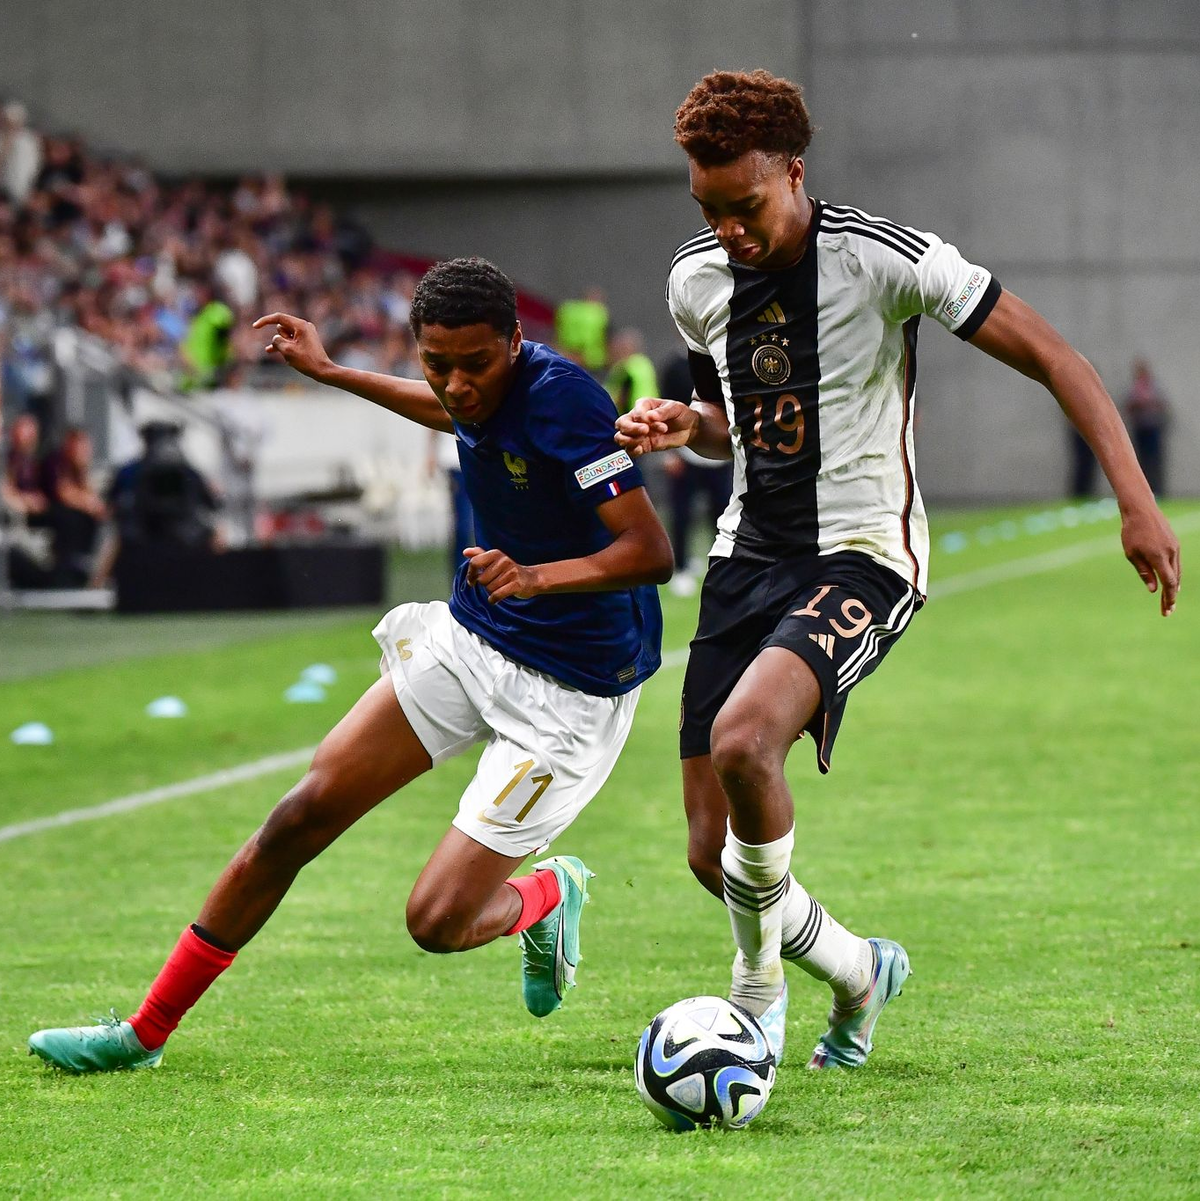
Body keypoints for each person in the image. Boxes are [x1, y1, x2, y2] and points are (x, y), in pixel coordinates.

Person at [616, 69, 1181, 1073]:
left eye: (745, 207)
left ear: (794, 172)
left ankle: (756, 998)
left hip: (864, 555)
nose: (730, 231)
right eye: (709, 209)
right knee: (713, 854)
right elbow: (724, 426)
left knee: (749, 744)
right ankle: (861, 971)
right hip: (747, 558)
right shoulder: (695, 280)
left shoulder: (885, 260)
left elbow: (1058, 357)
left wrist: (1135, 501)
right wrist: (682, 426)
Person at [29, 257, 672, 1073]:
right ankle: (142, 1032)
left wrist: (535, 576)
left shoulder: (567, 402)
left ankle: (548, 896)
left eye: (475, 364)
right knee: (297, 816)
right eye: (437, 363)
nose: (457, 384)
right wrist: (331, 371)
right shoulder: (462, 387)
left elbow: (648, 549)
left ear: (515, 342)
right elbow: (450, 413)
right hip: (474, 640)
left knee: (436, 921)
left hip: (570, 690)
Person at [658, 350, 734, 597]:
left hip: (721, 457)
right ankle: (680, 568)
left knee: (724, 514)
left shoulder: (726, 359)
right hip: (685, 454)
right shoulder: (676, 367)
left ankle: (724, 569)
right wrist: (669, 454)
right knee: (682, 513)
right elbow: (665, 404)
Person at [1123, 358, 1170, 497]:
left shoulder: (1154, 387)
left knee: (1154, 460)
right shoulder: (1134, 389)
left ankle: (1157, 489)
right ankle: (1143, 492)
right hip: (1140, 428)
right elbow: (1128, 407)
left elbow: (1163, 405)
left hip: (1153, 427)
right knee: (1140, 461)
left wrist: (1150, 403)